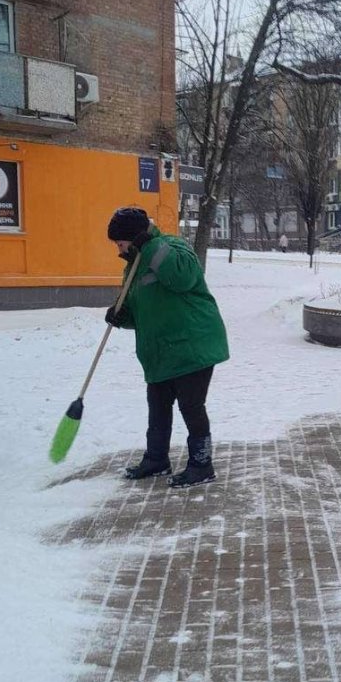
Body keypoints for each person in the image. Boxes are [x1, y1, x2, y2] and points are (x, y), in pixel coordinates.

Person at [104, 206, 229, 488]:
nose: (118, 249)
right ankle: (156, 459)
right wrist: (121, 315)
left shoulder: (172, 247)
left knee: (191, 406)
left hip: (191, 346)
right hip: (161, 352)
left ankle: (202, 464)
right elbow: (142, 311)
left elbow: (183, 278)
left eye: (121, 242)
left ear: (135, 238)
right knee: (157, 407)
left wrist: (150, 247)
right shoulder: (133, 267)